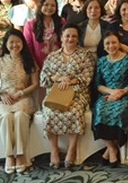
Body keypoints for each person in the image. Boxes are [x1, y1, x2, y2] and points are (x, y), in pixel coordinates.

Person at [40, 23, 96, 169]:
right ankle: (54, 150)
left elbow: (88, 77)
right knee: (50, 112)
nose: (70, 39)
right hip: (56, 93)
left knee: (75, 112)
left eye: (74, 36)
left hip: (77, 93)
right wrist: (58, 78)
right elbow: (43, 78)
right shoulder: (52, 56)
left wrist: (71, 81)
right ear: (62, 38)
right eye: (67, 36)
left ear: (78, 39)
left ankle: (72, 150)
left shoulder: (85, 55)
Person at [0, 29, 38, 174]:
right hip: (5, 99)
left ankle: (21, 155)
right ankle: (9, 156)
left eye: (18, 42)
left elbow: (35, 84)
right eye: (11, 42)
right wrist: (1, 93)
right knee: (6, 117)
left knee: (20, 117)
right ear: (6, 44)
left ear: (23, 43)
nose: (15, 45)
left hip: (23, 97)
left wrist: (21, 93)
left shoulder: (29, 61)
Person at [92, 31, 128, 168]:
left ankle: (109, 150)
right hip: (106, 94)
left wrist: (121, 93)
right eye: (108, 43)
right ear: (104, 46)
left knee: (118, 112)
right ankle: (111, 148)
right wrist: (111, 92)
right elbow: (97, 84)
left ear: (119, 44)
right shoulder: (101, 61)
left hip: (125, 95)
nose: (111, 46)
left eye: (114, 42)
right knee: (100, 111)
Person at [24, 0, 65, 68]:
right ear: (40, 6)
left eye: (53, 5)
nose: (49, 7)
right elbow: (28, 47)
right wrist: (34, 65)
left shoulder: (62, 22)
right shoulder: (30, 25)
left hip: (59, 65)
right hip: (38, 65)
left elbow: (65, 43)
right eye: (46, 5)